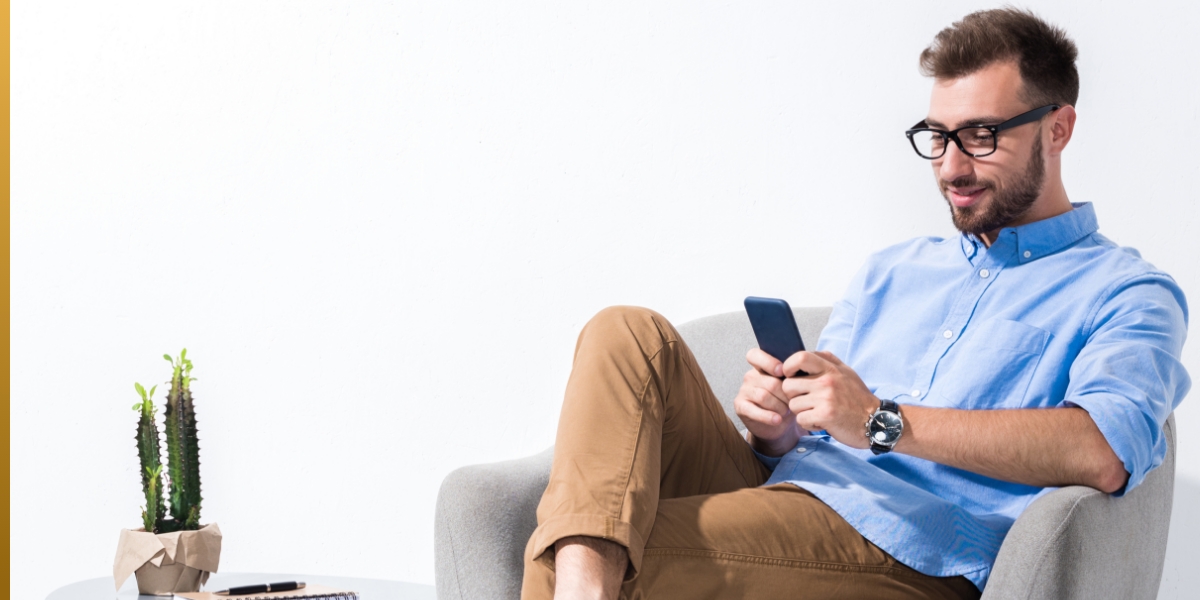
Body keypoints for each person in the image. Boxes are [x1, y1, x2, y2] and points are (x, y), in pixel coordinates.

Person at [520, 8, 1191, 600]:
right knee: (626, 334)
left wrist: (879, 420)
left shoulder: (1127, 292)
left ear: (1058, 128)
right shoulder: (892, 271)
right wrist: (778, 428)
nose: (951, 167)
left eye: (981, 136)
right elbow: (816, 434)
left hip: (910, 547)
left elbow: (1104, 449)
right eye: (938, 136)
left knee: (585, 549)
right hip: (783, 499)